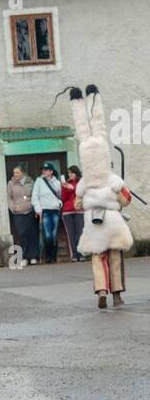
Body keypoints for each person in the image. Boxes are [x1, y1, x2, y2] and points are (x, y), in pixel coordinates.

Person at [70, 85, 133, 309]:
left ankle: (102, 291)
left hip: (93, 221)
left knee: (98, 257)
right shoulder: (112, 178)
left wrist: (87, 202)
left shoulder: (84, 182)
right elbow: (125, 199)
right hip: (113, 221)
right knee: (115, 256)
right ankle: (117, 293)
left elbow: (77, 202)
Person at [31, 162, 62, 264]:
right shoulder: (39, 181)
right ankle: (48, 256)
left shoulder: (57, 182)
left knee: (54, 235)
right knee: (48, 235)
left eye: (46, 170)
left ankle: (53, 256)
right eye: (43, 170)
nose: (43, 171)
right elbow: (35, 196)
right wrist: (38, 209)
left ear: (51, 172)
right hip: (45, 211)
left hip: (55, 210)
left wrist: (59, 203)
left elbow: (61, 196)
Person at [7, 165, 38, 264]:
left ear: (23, 173)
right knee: (22, 233)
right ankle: (23, 257)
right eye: (14, 173)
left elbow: (35, 195)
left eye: (17, 172)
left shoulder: (30, 182)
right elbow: (9, 198)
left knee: (31, 234)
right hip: (18, 212)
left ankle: (33, 256)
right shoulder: (11, 183)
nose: (15, 174)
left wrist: (33, 206)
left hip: (30, 211)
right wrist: (13, 207)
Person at [60, 165, 84, 263]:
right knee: (71, 234)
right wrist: (65, 188)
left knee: (80, 232)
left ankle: (81, 253)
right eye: (68, 173)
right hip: (67, 211)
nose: (69, 174)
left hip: (80, 210)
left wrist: (73, 188)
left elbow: (82, 193)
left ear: (76, 173)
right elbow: (63, 198)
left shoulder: (82, 183)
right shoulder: (66, 184)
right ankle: (74, 254)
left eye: (72, 172)